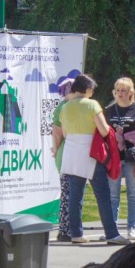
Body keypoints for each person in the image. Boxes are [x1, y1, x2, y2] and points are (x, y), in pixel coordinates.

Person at [58, 74, 128, 245]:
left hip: (71, 152)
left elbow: (64, 132)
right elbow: (104, 130)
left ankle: (76, 234)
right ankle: (112, 234)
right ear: (88, 89)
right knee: (103, 195)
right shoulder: (92, 104)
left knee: (75, 196)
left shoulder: (65, 107)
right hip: (90, 152)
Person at [104, 77, 135, 241]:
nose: (120, 94)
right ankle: (112, 230)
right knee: (113, 195)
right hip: (114, 157)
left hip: (132, 157)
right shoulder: (109, 110)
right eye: (118, 90)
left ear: (131, 92)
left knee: (133, 194)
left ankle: (132, 229)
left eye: (124, 90)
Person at [50, 78, 76, 242]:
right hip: (66, 152)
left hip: (67, 152)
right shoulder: (64, 107)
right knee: (68, 192)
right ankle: (65, 229)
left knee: (70, 192)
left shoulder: (66, 106)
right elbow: (56, 132)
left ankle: (68, 228)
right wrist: (55, 149)